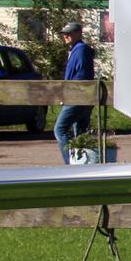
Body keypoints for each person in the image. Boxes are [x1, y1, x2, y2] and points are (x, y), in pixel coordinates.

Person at [53, 20, 95, 164]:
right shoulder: (77, 50)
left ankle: (69, 163)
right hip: (85, 96)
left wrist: (70, 91)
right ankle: (83, 164)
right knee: (80, 131)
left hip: (78, 96)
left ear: (78, 34)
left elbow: (82, 75)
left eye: (69, 33)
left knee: (60, 129)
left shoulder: (81, 50)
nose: (66, 36)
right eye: (65, 34)